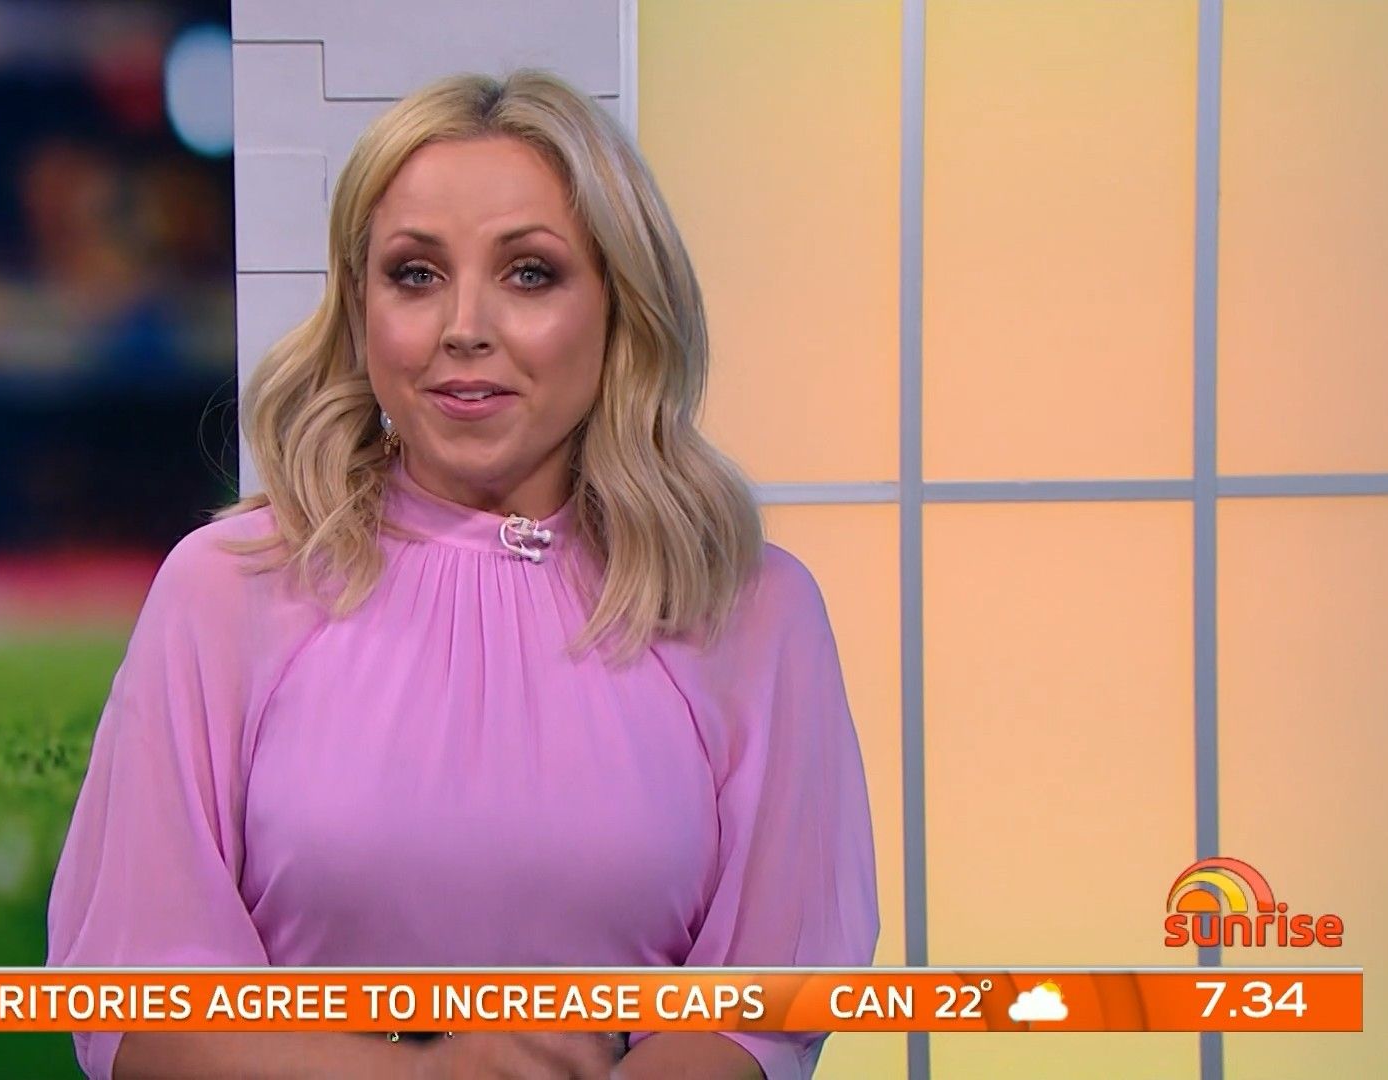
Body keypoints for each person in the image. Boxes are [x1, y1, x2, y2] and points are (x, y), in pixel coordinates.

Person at [46, 68, 879, 1080]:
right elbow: (137, 1013)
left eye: (529, 273)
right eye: (415, 274)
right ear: (359, 309)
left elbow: (764, 1011)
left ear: (620, 305)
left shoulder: (751, 609)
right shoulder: (226, 588)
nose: (464, 327)